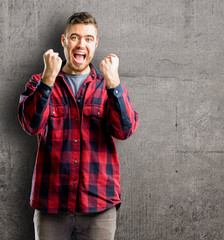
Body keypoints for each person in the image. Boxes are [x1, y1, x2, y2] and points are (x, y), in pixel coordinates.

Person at [18, 12, 139, 240]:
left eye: (88, 38)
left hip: (99, 206)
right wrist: (47, 80)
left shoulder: (108, 86)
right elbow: (31, 125)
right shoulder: (39, 81)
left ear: (95, 44)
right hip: (51, 204)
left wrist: (115, 85)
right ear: (64, 41)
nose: (81, 44)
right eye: (74, 37)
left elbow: (125, 130)